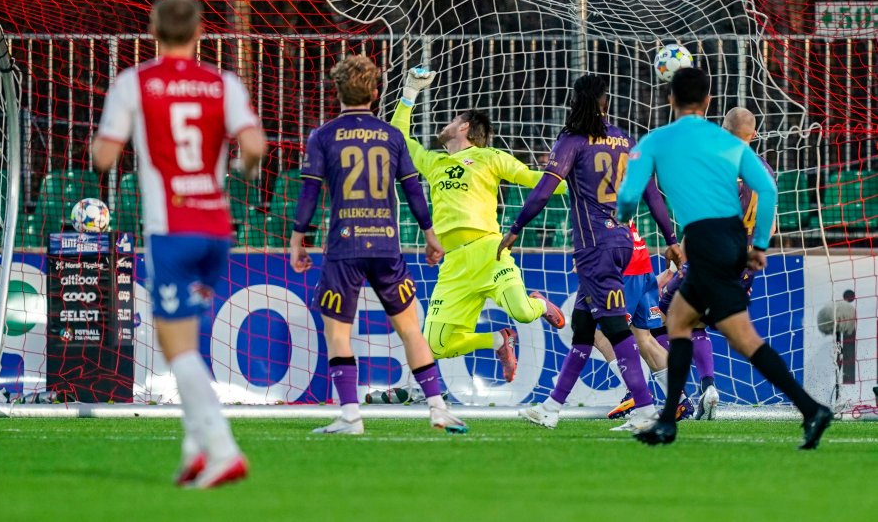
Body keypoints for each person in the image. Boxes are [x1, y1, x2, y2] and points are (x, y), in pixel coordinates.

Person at [91, 0, 266, 487]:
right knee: (185, 342)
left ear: (152, 30)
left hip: (171, 230)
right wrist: (243, 169)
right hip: (216, 229)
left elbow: (104, 157)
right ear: (200, 32)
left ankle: (223, 448)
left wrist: (108, 140)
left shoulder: (135, 82)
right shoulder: (221, 82)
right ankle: (195, 451)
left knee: (176, 347)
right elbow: (254, 145)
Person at [616, 68, 831, 448]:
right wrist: (761, 245)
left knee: (742, 337)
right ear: (709, 102)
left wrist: (623, 215)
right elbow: (766, 187)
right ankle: (668, 420)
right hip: (730, 240)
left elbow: (630, 195)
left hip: (705, 241)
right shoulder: (727, 142)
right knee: (679, 319)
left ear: (670, 99)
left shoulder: (655, 141)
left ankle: (811, 409)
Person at [288, 55, 466, 435]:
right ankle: (437, 408)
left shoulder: (323, 135)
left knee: (337, 333)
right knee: (410, 330)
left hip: (344, 246)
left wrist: (298, 239)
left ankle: (351, 416)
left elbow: (310, 192)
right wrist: (430, 236)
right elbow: (413, 189)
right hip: (386, 244)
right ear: (375, 91)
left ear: (336, 91)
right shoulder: (391, 135)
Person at [498, 74, 683, 431]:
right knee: (583, 327)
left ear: (575, 102)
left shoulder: (572, 141)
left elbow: (542, 191)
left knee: (615, 327)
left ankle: (645, 408)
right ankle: (551, 407)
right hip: (623, 243)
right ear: (605, 103)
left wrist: (516, 229)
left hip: (594, 246)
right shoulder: (625, 141)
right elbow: (652, 195)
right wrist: (671, 240)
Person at [390, 68, 565, 382]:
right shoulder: (434, 162)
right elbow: (398, 139)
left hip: (488, 252)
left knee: (524, 312)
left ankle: (539, 303)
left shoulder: (490, 157)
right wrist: (409, 93)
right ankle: (499, 340)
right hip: (454, 263)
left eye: (452, 119)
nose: (446, 125)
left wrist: (579, 183)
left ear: (465, 126)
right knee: (436, 346)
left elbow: (535, 180)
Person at [654, 106, 777, 421]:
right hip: (744, 264)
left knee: (655, 320)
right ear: (754, 135)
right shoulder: (765, 171)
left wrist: (674, 268)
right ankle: (706, 388)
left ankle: (674, 394)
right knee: (696, 323)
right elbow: (771, 226)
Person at [601, 222, 694, 422]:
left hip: (621, 261)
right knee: (644, 338)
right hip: (640, 258)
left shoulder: (591, 195)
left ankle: (636, 393)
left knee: (602, 331)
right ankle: (680, 400)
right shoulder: (622, 192)